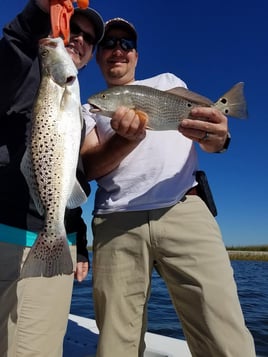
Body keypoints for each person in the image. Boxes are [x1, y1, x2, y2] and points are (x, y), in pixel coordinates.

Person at [81, 18, 256, 357]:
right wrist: (125, 139)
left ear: (136, 55)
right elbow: (88, 168)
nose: (118, 50)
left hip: (184, 207)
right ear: (98, 55)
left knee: (225, 335)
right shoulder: (91, 108)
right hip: (116, 222)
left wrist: (218, 134)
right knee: (116, 342)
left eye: (126, 44)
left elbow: (208, 137)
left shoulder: (166, 82)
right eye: (108, 44)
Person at [0, 1, 104, 356]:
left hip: (54, 236)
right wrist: (37, 13)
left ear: (90, 57)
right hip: (8, 233)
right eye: (74, 29)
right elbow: (12, 50)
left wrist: (80, 242)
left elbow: (69, 178)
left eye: (89, 39)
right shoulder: (26, 72)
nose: (79, 39)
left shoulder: (80, 107)